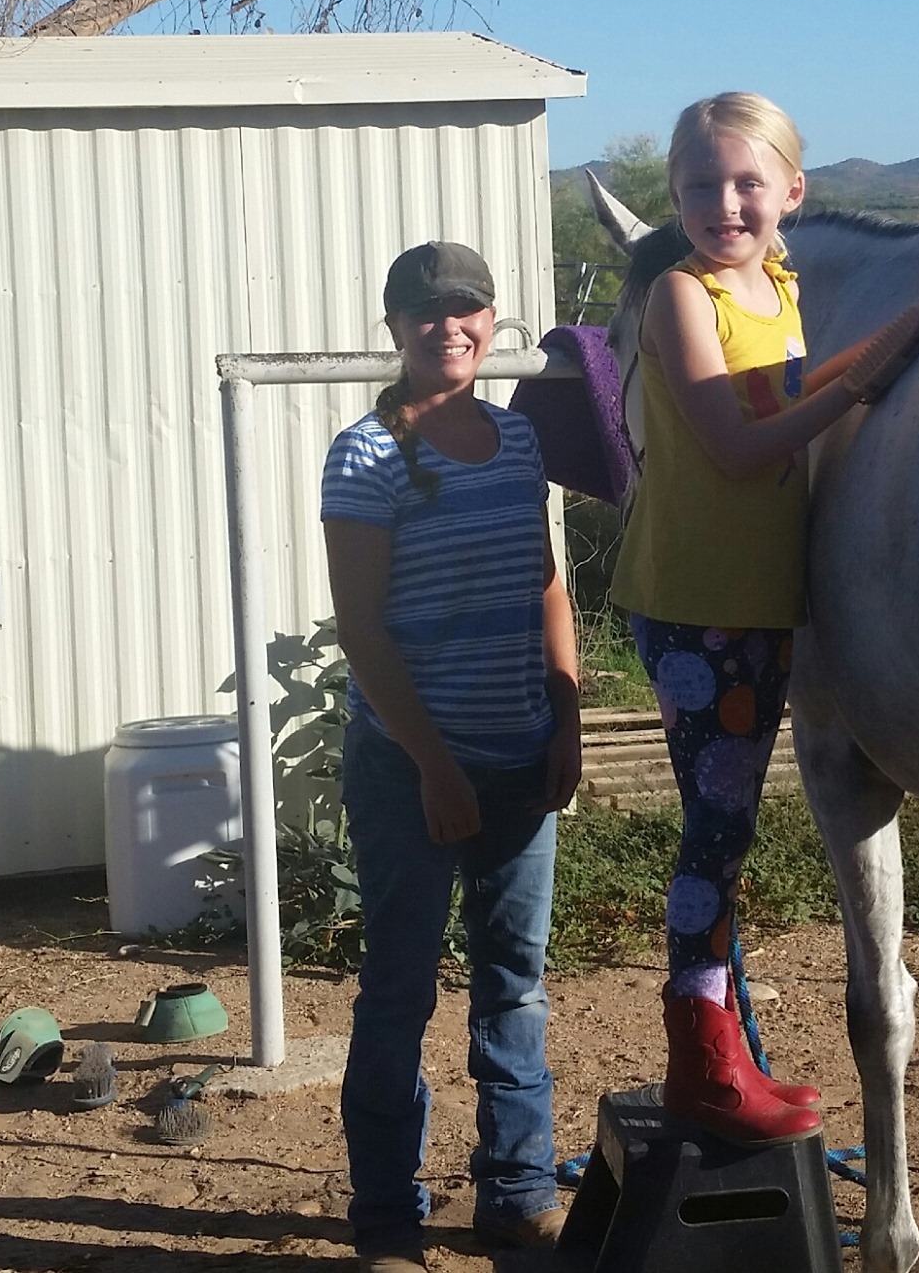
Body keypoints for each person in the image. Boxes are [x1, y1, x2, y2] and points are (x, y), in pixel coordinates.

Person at [611, 92, 919, 1146]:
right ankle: (700, 1066)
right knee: (716, 835)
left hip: (755, 595)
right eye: (701, 186)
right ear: (673, 198)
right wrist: (857, 389)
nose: (724, 204)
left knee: (730, 829)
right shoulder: (679, 293)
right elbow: (740, 447)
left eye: (747, 183)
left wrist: (880, 344)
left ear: (792, 193)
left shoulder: (774, 281)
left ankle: (720, 1052)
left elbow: (776, 384)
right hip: (697, 598)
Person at [322, 242, 582, 1272]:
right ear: (394, 329)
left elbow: (545, 585)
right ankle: (387, 1218)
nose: (450, 327)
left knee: (514, 983)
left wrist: (563, 718)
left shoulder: (518, 443)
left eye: (468, 308)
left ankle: (516, 1194)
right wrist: (433, 766)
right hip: (408, 766)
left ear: (491, 318)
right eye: (427, 313)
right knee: (399, 988)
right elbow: (363, 631)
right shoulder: (366, 454)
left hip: (522, 758)